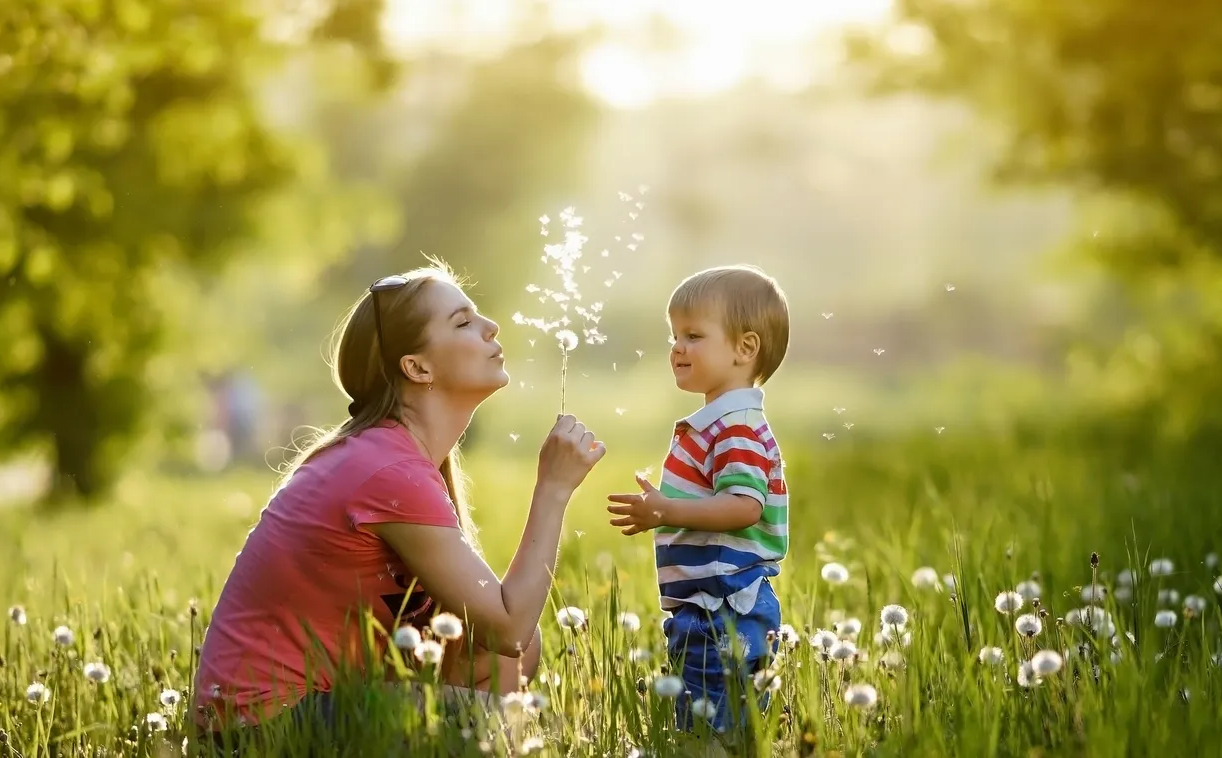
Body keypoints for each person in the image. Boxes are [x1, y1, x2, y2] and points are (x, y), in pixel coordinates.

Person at [190, 260, 607, 742]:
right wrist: (553, 489)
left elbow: (497, 637)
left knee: (494, 657)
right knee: (498, 687)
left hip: (316, 706)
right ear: (417, 367)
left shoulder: (396, 456)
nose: (491, 327)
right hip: (259, 730)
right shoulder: (389, 470)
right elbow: (507, 626)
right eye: (464, 322)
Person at [604, 264, 789, 735]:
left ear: (745, 348)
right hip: (710, 605)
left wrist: (666, 510)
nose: (677, 348)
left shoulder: (736, 428)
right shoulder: (721, 423)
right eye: (674, 336)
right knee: (711, 721)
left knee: (713, 729)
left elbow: (745, 505)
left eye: (693, 335)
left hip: (723, 608)